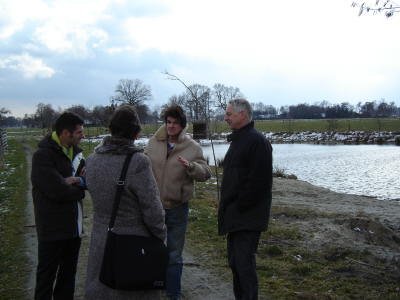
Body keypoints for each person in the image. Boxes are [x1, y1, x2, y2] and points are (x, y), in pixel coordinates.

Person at [84, 105, 167, 299]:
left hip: (101, 243)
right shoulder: (138, 162)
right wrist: (161, 234)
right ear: (136, 134)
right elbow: (153, 211)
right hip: (133, 250)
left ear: (111, 129)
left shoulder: (92, 160)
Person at [145, 105, 211, 300]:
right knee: (152, 250)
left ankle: (173, 294)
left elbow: (206, 173)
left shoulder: (193, 147)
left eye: (175, 123)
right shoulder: (153, 143)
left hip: (177, 208)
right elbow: (141, 167)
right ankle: (151, 289)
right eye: (168, 122)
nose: (171, 126)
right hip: (154, 207)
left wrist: (191, 167)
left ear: (182, 125)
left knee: (174, 254)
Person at [218, 98, 273, 300]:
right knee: (235, 264)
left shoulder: (257, 142)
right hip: (235, 216)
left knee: (244, 266)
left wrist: (239, 204)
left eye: (229, 114)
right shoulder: (239, 140)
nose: (225, 118)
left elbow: (260, 182)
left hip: (247, 217)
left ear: (243, 114)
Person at [31, 112, 86, 300]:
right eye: (79, 132)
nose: (82, 135)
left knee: (68, 277)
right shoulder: (42, 156)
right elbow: (57, 191)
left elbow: (85, 181)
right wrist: (77, 189)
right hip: (51, 229)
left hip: (73, 228)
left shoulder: (78, 154)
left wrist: (74, 182)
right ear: (65, 133)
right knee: (46, 277)